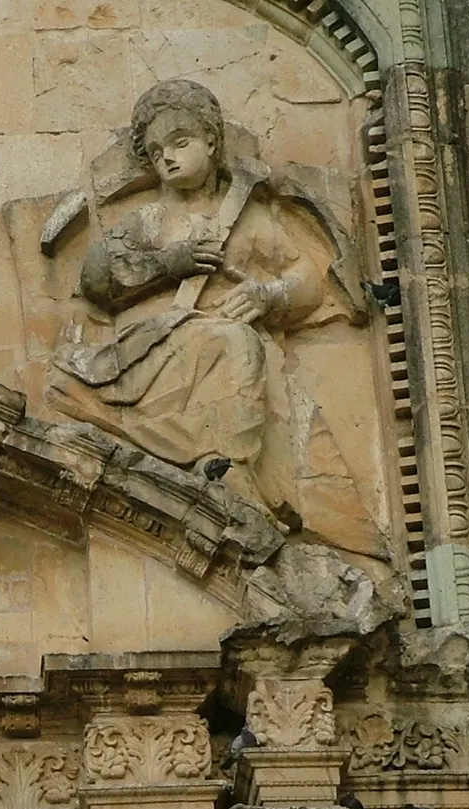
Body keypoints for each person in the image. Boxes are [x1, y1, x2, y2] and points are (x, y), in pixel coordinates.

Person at [46, 80, 332, 509]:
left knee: (238, 345)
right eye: (157, 153)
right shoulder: (150, 219)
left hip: (222, 350)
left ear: (213, 142)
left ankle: (224, 464)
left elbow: (308, 276)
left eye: (180, 143)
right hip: (160, 346)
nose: (168, 158)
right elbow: (96, 279)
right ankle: (213, 458)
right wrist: (166, 264)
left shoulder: (248, 220)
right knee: (236, 344)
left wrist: (269, 294)